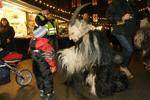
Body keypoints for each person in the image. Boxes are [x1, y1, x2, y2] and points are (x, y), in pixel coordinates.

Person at [106, 0, 140, 79]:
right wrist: (121, 18)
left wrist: (137, 30)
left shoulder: (132, 3)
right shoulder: (115, 2)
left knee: (126, 50)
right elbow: (108, 16)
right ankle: (123, 66)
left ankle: (122, 68)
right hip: (119, 30)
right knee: (129, 49)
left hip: (129, 31)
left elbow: (137, 18)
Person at [30, 8, 56, 100]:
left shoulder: (33, 44)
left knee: (39, 77)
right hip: (44, 67)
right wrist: (53, 66)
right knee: (47, 78)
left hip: (36, 66)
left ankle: (41, 90)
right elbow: (49, 57)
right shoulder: (47, 46)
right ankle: (48, 94)